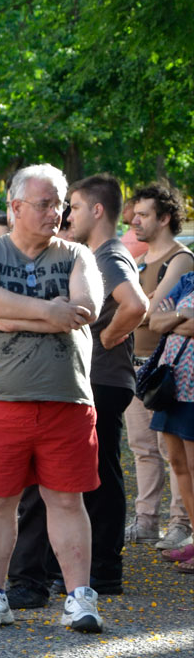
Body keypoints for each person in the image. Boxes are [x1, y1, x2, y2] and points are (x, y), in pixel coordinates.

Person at [0, 163, 105, 634]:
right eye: (44, 204)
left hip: (66, 400)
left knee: (66, 500)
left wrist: (16, 317)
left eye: (59, 203)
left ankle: (81, 598)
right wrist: (49, 311)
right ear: (16, 207)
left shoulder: (77, 254)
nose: (55, 212)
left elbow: (86, 310)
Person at [8, 175, 150, 603]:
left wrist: (108, 339)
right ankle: (94, 569)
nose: (66, 215)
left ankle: (104, 571)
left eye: (74, 206)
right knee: (96, 474)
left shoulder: (107, 256)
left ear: (97, 211)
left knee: (99, 477)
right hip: (99, 380)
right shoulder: (99, 254)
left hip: (103, 381)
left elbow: (136, 304)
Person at [124, 183, 194, 549]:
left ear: (165, 218)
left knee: (175, 453)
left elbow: (149, 315)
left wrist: (148, 308)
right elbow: (134, 310)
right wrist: (146, 308)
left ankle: (181, 524)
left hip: (170, 369)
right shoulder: (141, 262)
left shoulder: (180, 260)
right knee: (142, 448)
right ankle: (146, 520)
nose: (134, 220)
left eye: (144, 214)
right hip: (138, 365)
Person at [147, 270, 194, 573]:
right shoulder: (188, 280)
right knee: (178, 465)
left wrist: (174, 321)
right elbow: (154, 322)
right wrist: (182, 315)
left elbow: (168, 324)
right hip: (172, 387)